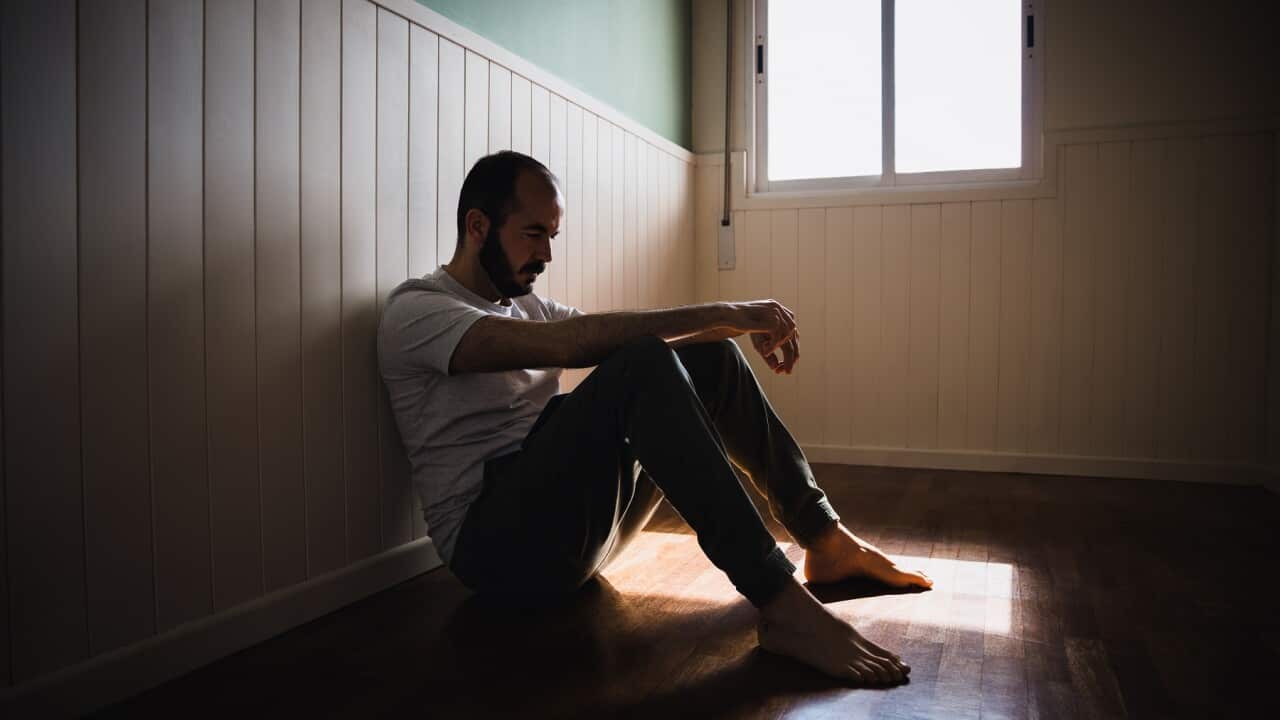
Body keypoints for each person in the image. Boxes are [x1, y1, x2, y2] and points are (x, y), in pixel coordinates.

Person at [377, 151, 932, 686]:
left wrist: (741, 326)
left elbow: (627, 332)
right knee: (642, 361)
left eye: (553, 235)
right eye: (533, 233)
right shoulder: (420, 311)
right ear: (477, 225)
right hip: (498, 552)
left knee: (708, 356)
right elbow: (576, 343)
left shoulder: (528, 304)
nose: (546, 254)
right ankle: (781, 600)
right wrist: (724, 311)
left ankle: (823, 538)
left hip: (578, 536)